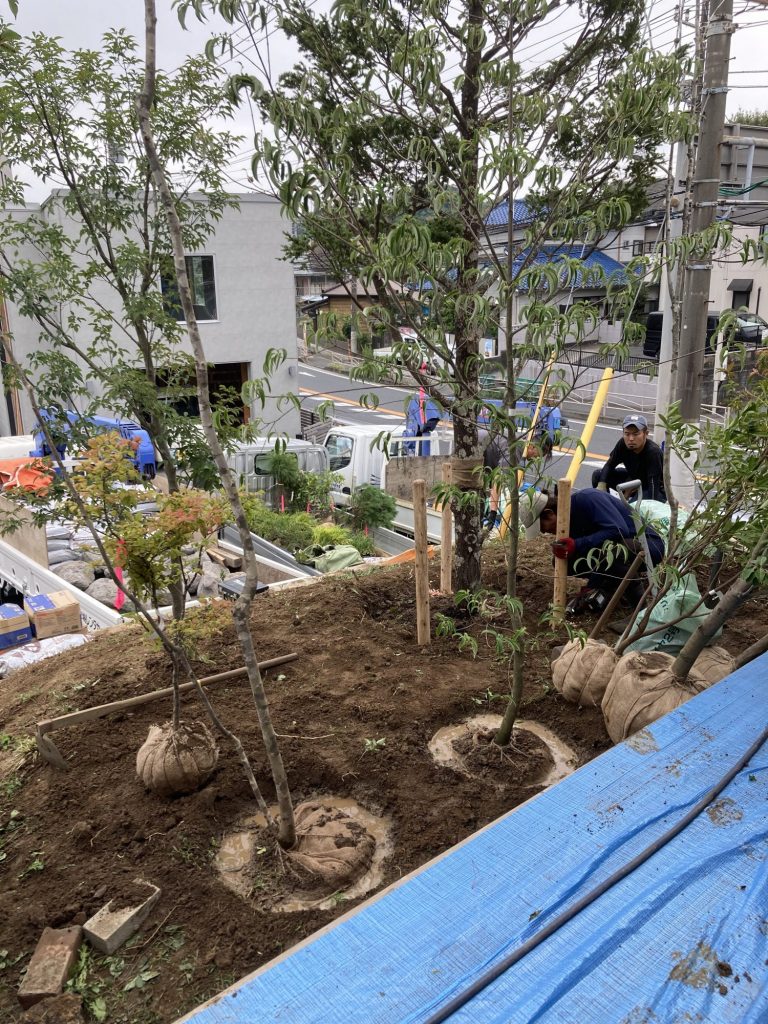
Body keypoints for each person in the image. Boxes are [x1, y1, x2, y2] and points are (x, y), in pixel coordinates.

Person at [521, 487, 665, 614]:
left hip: (648, 546)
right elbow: (596, 551)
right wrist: (590, 587)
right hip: (618, 549)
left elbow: (618, 530)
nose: (544, 532)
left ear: (549, 513)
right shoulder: (567, 523)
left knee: (614, 551)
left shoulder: (588, 499)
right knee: (567, 561)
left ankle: (641, 612)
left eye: (542, 527)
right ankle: (609, 586)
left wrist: (577, 544)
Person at [592, 414, 666, 502]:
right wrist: (601, 485)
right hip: (633, 479)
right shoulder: (623, 444)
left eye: (636, 434)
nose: (631, 439)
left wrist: (631, 501)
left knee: (630, 508)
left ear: (646, 434)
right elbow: (609, 465)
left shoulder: (653, 452)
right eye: (627, 434)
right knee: (598, 475)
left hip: (652, 488)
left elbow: (653, 488)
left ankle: (625, 505)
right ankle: (606, 504)